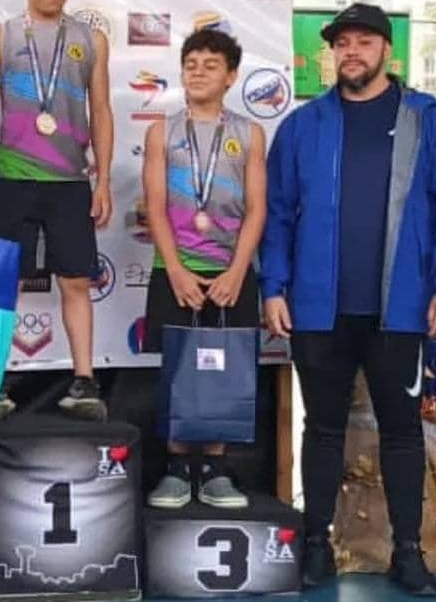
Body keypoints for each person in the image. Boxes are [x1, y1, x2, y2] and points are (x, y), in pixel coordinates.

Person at [261, 3, 436, 596]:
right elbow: (278, 214)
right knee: (322, 429)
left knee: (402, 431)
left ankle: (408, 553)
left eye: (364, 42)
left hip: (401, 310)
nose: (352, 52)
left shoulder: (429, 121)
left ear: (387, 50)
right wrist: (274, 286)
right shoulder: (302, 127)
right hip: (317, 309)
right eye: (342, 43)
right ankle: (317, 548)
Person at [0, 0, 113, 420]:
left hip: (70, 182)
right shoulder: (0, 37)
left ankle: (84, 381)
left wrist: (104, 180)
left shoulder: (91, 39)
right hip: (12, 178)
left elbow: (101, 111)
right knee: (1, 281)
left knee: (75, 280)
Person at [142, 29, 266, 510]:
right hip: (176, 270)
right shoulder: (162, 132)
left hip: (229, 272)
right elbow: (154, 206)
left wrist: (237, 272)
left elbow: (256, 209)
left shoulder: (249, 133)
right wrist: (174, 269)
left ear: (231, 77)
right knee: (178, 370)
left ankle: (214, 470)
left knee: (224, 371)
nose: (198, 72)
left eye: (210, 65)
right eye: (190, 64)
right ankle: (176, 469)